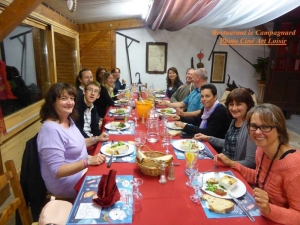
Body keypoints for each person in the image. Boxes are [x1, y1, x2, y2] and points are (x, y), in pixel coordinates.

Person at [215, 103, 300, 224]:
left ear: (280, 130)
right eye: (253, 126)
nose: (258, 132)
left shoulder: (295, 167)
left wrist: (269, 209)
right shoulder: (261, 150)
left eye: (265, 127)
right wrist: (233, 164)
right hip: (261, 215)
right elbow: (259, 178)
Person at [37, 83, 109, 198]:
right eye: (64, 99)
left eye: (72, 98)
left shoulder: (67, 119)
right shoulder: (50, 130)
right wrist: (87, 162)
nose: (70, 102)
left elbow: (78, 143)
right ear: (52, 102)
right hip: (65, 182)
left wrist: (97, 138)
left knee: (111, 169)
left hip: (80, 170)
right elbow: (57, 171)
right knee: (107, 187)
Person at [194, 88, 256, 168]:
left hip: (236, 172)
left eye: (238, 104)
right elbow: (228, 143)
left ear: (248, 105)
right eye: (231, 104)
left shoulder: (251, 127)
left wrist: (230, 163)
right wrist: (208, 138)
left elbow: (250, 163)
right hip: (224, 165)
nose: (234, 108)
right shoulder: (234, 120)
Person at [174, 84, 231, 151]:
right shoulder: (206, 108)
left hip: (214, 148)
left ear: (215, 97)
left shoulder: (220, 111)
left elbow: (207, 133)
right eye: (202, 96)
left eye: (207, 96)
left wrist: (185, 126)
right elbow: (197, 121)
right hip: (204, 142)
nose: (204, 99)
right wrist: (180, 118)